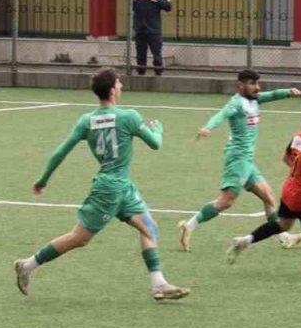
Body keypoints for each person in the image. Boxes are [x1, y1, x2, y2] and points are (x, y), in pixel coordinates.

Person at [13, 66, 189, 301]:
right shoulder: (129, 117)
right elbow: (155, 144)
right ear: (113, 89)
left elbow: (60, 152)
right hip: (109, 189)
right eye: (119, 83)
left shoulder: (87, 120)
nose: (122, 86)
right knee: (79, 238)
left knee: (150, 228)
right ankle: (28, 265)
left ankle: (159, 284)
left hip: (122, 188)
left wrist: (42, 180)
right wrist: (159, 130)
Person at [177, 69, 301, 252]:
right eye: (252, 84)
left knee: (268, 196)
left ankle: (284, 237)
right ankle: (188, 226)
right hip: (238, 159)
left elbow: (273, 94)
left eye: (257, 83)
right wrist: (208, 127)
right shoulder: (236, 103)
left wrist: (288, 92)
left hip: (247, 161)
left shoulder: (255, 99)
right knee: (226, 201)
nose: (257, 87)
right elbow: (221, 115)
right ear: (241, 86)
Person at [226, 104, 301, 273]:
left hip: (288, 191)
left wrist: (300, 175)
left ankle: (246, 240)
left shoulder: (299, 136)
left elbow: (286, 158)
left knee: (284, 225)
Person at [132, 0, 171, 76]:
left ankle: (158, 73)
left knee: (156, 53)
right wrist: (135, 26)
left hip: (153, 29)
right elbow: (134, 8)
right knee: (140, 54)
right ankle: (141, 73)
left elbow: (168, 7)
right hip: (140, 28)